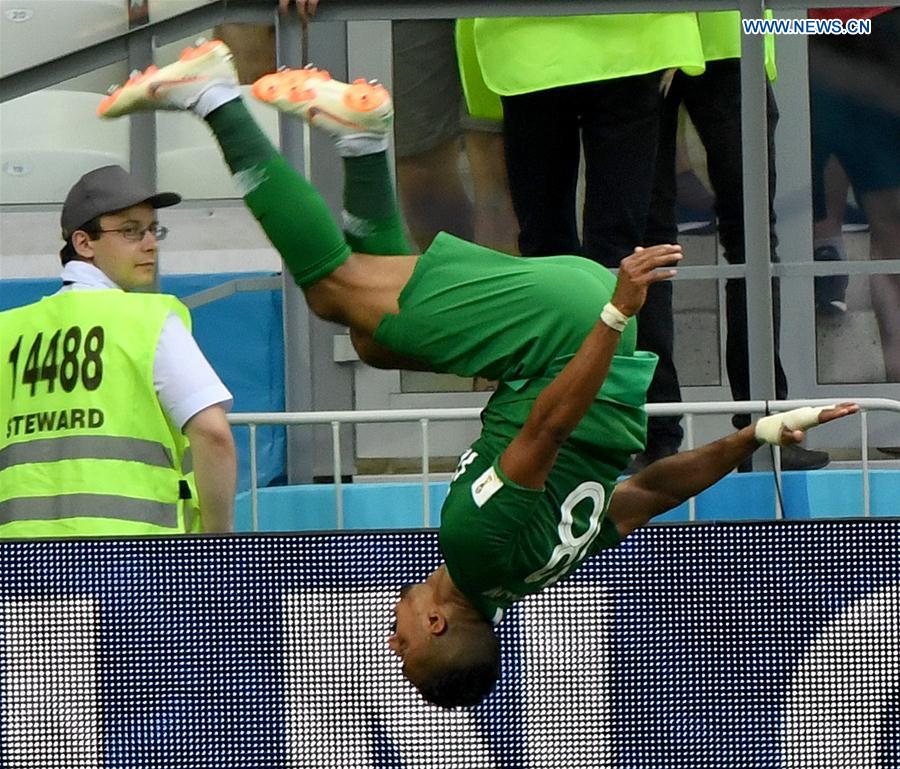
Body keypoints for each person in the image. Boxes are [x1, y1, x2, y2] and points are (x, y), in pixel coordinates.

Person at [95, 40, 859, 708]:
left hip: (570, 347)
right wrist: (614, 314)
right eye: (405, 654)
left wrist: (752, 434)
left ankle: (363, 143)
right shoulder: (478, 546)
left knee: (373, 341)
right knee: (333, 289)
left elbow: (651, 491)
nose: (391, 643)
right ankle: (214, 95)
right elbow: (547, 427)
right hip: (565, 334)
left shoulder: (529, 575)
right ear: (435, 624)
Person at [637, 10, 831, 472]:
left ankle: (762, 427)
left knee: (751, 245)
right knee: (651, 250)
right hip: (652, 40)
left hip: (729, 36)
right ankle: (657, 435)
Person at [0, 165, 237, 537]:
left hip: (21, 567)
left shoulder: (8, 332)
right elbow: (213, 433)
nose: (150, 243)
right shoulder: (150, 320)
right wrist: (216, 538)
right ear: (83, 243)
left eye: (152, 229)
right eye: (130, 231)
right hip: (132, 566)